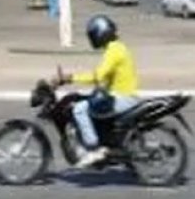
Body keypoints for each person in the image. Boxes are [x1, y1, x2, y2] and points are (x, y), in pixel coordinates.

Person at [52, 15, 140, 167]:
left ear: (101, 33)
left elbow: (98, 76)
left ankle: (94, 149)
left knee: (79, 109)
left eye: (93, 35)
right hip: (120, 95)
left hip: (123, 97)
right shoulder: (116, 48)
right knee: (85, 101)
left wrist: (69, 78)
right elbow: (104, 79)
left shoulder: (114, 50)